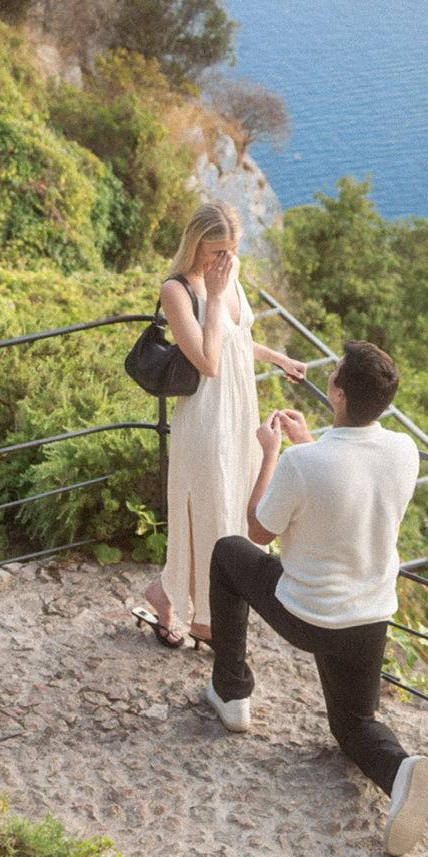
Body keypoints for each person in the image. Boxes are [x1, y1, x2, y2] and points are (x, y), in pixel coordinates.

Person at [202, 341, 428, 857]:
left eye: (333, 376)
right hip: (370, 617)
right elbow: (350, 489)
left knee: (228, 553)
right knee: (353, 726)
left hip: (306, 614)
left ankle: (232, 690)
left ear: (340, 394)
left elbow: (259, 530)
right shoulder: (404, 451)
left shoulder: (303, 462)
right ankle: (399, 772)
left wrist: (273, 454)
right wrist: (307, 443)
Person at [132, 201, 305, 648]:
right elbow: (208, 361)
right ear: (196, 246)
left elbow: (235, 341)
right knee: (208, 513)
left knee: (235, 510)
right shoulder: (178, 289)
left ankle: (171, 593)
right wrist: (212, 291)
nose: (223, 262)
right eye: (215, 253)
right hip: (207, 420)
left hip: (241, 412)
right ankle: (200, 612)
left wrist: (277, 357)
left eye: (229, 252)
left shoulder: (228, 276)